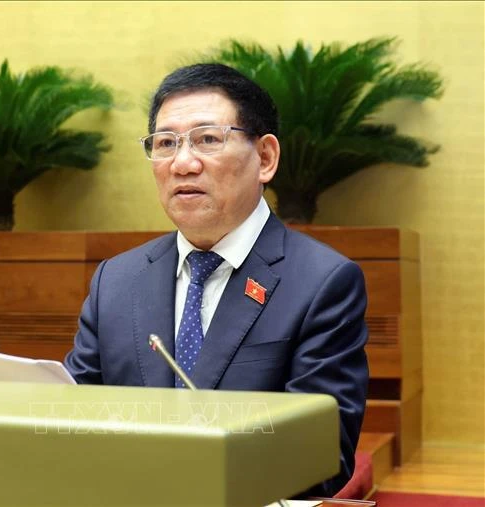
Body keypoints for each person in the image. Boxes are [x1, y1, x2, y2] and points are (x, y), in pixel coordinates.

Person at [64, 63, 368, 497]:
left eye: (208, 139)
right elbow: (73, 415)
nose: (183, 163)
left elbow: (323, 453)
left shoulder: (323, 283)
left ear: (265, 158)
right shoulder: (117, 279)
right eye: (165, 143)